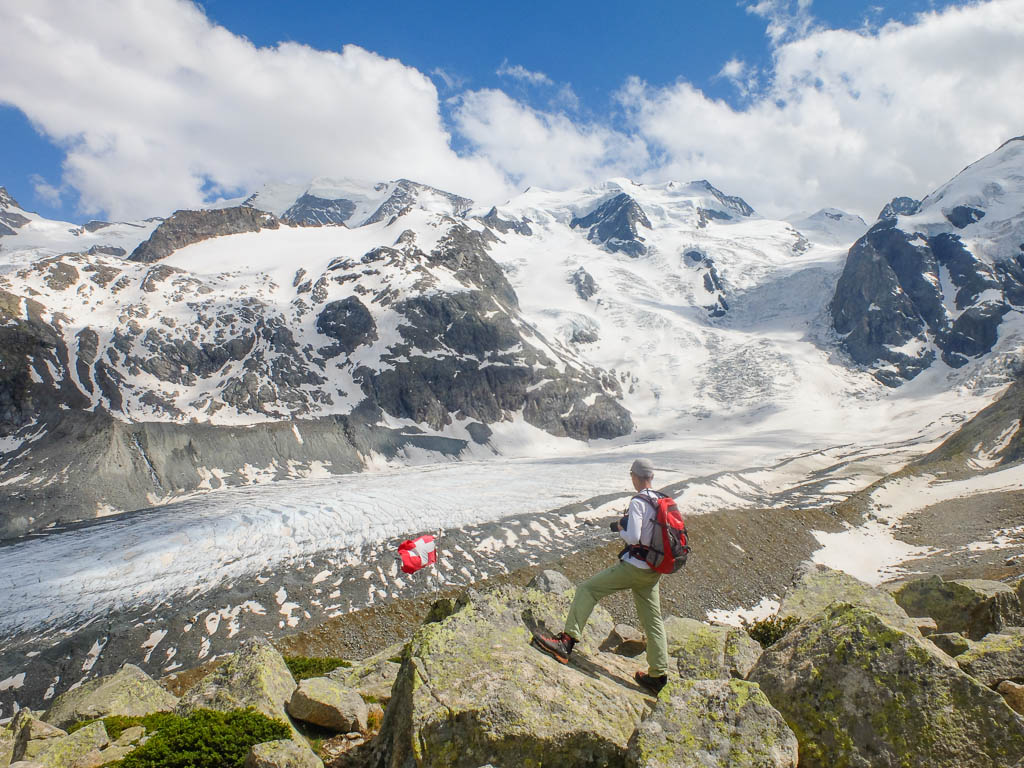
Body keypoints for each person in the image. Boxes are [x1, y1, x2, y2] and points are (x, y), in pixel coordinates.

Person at [532, 458, 670, 695]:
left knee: (588, 589)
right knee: (653, 619)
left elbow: (634, 536)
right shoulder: (660, 500)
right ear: (652, 477)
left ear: (635, 476)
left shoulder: (638, 501)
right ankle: (658, 675)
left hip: (635, 567)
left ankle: (566, 642)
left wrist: (620, 529)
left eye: (632, 475)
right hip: (653, 570)